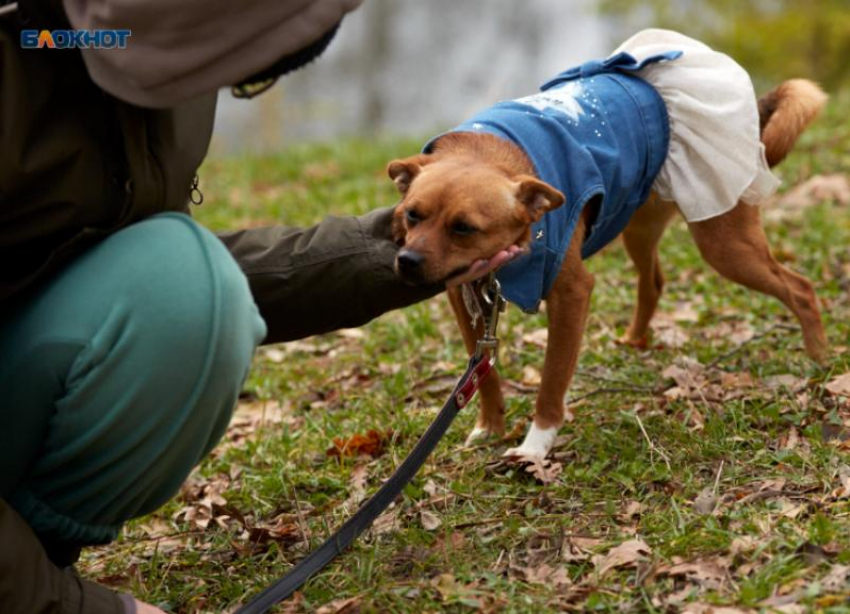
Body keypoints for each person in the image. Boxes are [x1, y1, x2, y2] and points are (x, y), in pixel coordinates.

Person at [0, 1, 516, 612]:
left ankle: (38, 548)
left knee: (181, 283)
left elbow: (149, 268)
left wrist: (399, 249)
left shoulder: (145, 45)